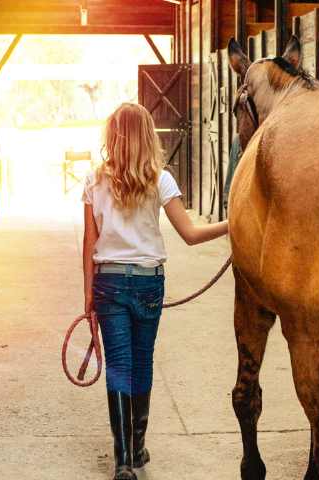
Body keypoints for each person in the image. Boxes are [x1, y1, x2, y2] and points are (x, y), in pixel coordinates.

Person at [81, 103, 228, 480]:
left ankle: (124, 459)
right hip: (148, 282)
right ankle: (139, 446)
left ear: (112, 136)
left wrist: (88, 297)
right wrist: (234, 224)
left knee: (118, 365)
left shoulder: (94, 182)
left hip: (108, 282)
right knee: (142, 363)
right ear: (148, 135)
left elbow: (89, 243)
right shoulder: (160, 180)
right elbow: (192, 236)